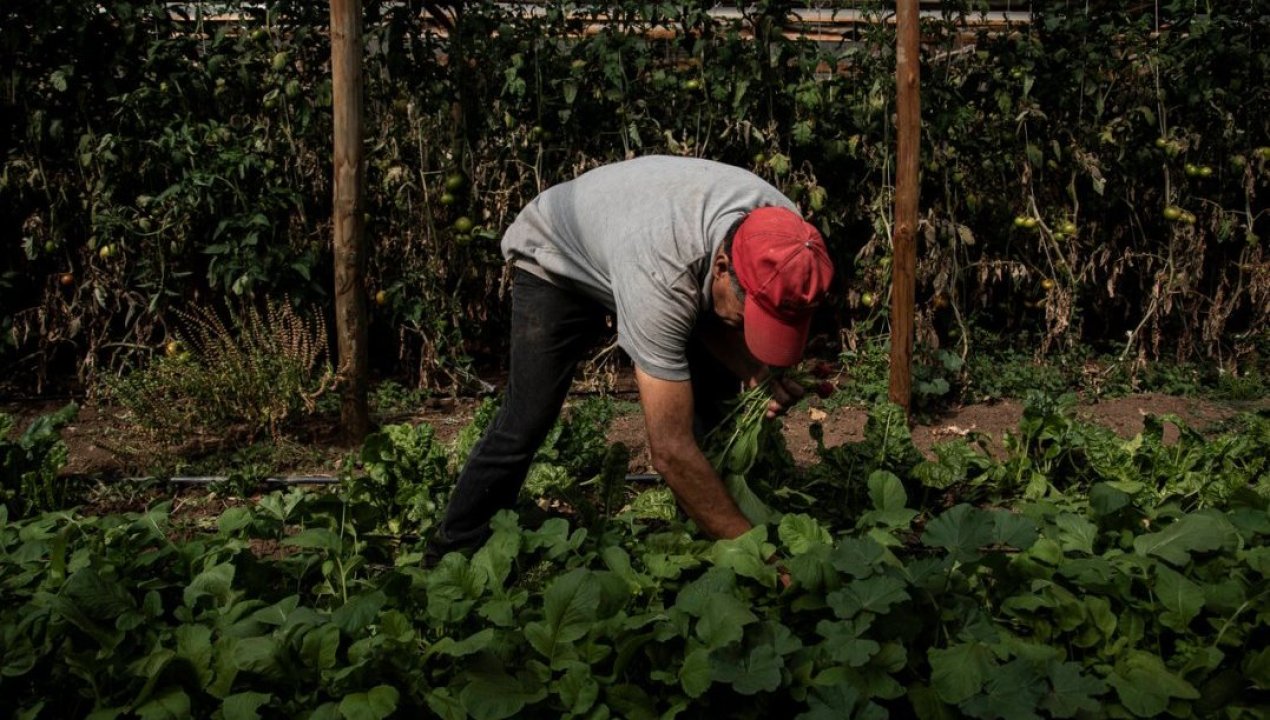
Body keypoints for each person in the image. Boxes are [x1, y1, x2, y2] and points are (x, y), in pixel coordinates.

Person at [426, 155, 834, 561]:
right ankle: (454, 547)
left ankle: (700, 535)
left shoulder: (790, 239)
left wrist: (754, 371)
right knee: (527, 417)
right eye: (754, 316)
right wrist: (761, 558)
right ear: (722, 267)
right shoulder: (663, 277)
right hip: (558, 254)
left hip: (644, 241)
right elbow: (669, 451)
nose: (751, 331)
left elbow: (717, 307)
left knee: (713, 403)